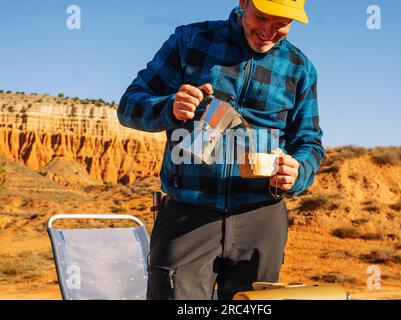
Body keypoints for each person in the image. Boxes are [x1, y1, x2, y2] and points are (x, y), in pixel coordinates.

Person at [117, 0, 325, 300]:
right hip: (187, 214)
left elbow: (310, 141)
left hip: (262, 217)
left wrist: (298, 172)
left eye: (281, 23)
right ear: (243, 3)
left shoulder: (300, 68)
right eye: (261, 17)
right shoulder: (191, 41)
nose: (267, 31)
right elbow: (129, 106)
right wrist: (169, 108)